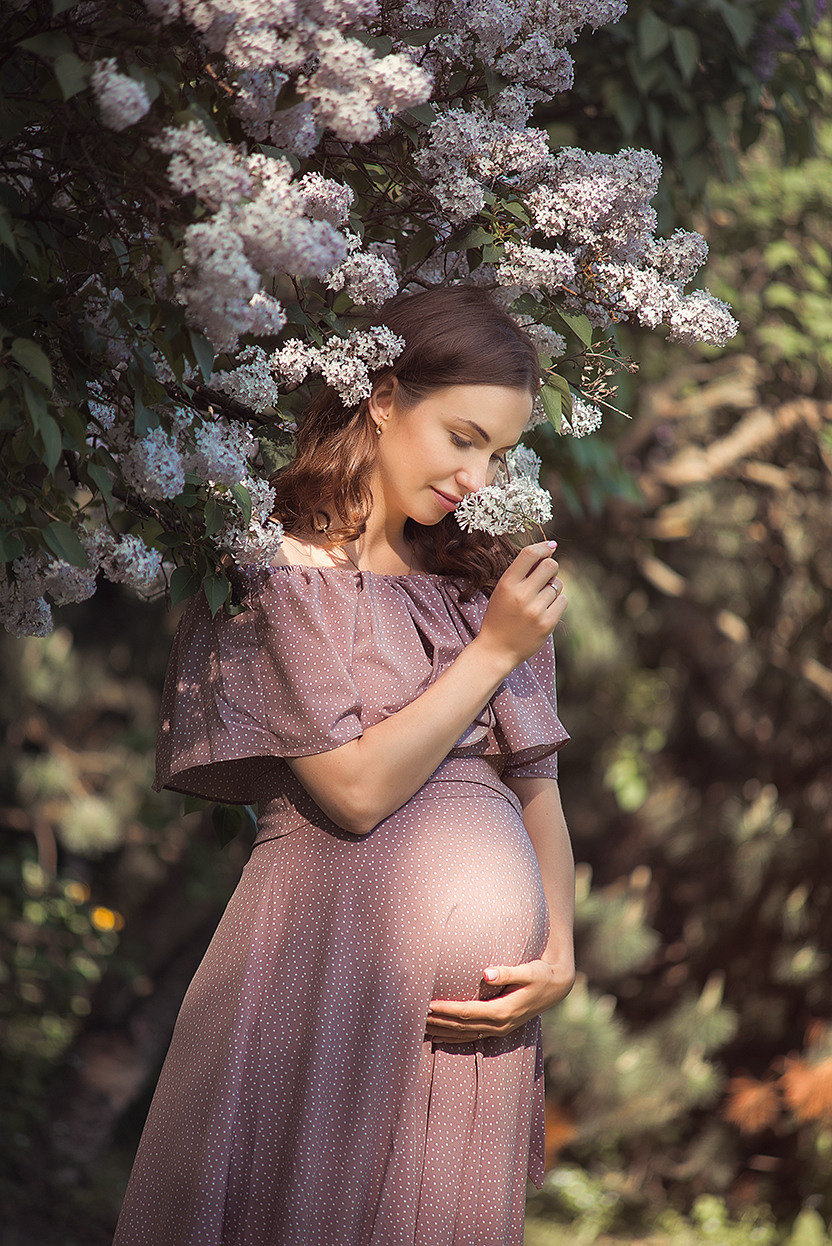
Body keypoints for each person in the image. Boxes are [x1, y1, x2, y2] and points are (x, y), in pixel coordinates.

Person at [113, 285, 574, 1246]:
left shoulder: (475, 590)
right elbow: (355, 793)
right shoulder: (280, 572)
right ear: (382, 396)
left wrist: (558, 956)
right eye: (461, 436)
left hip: (477, 1021)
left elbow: (536, 784)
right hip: (323, 976)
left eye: (496, 452)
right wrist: (491, 653)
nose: (477, 476)